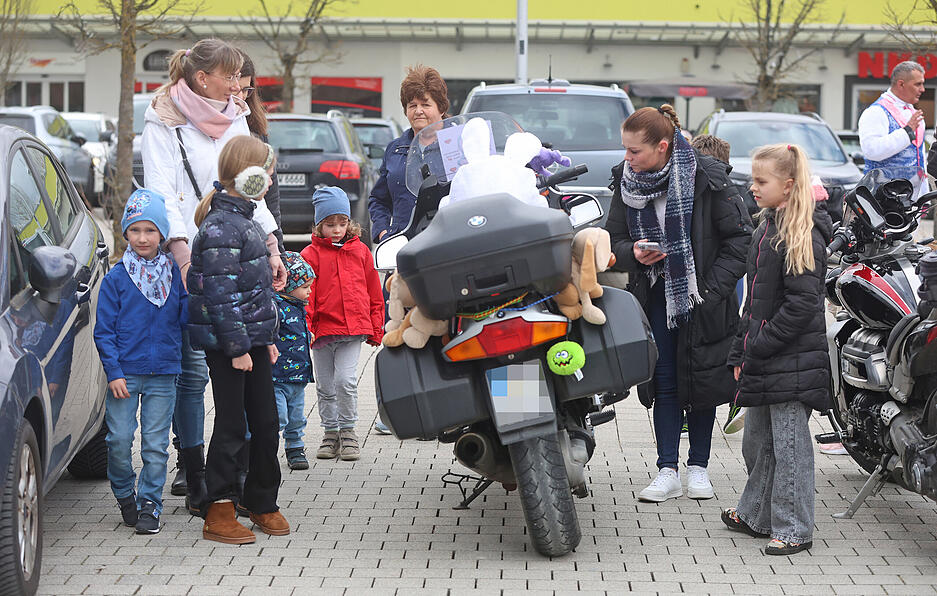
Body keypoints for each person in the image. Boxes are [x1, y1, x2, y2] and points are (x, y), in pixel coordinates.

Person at [141, 39, 286, 513]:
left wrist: (271, 245)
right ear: (203, 77)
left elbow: (250, 181)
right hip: (184, 251)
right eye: (231, 75)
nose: (238, 84)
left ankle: (236, 475)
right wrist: (183, 258)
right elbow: (163, 193)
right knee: (193, 370)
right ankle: (193, 466)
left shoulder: (235, 113)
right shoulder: (162, 119)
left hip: (237, 250)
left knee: (231, 375)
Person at [604, 105, 752, 503]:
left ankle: (699, 468)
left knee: (701, 381)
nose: (627, 158)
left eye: (635, 151)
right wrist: (634, 252)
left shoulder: (708, 177)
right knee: (665, 381)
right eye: (626, 150)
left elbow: (740, 241)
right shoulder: (625, 179)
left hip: (703, 299)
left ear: (662, 147)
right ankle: (666, 469)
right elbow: (611, 240)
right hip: (655, 295)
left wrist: (708, 289)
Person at [722, 143, 833, 555]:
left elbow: (803, 304)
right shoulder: (766, 226)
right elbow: (753, 302)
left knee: (789, 449)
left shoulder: (801, 234)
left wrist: (759, 346)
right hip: (767, 356)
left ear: (787, 186)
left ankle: (794, 528)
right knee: (758, 442)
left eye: (761, 181)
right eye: (753, 179)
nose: (752, 187)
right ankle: (756, 514)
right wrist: (741, 352)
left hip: (791, 361)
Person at [188, 135, 288, 544]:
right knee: (232, 425)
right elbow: (221, 295)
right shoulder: (220, 227)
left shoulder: (244, 221)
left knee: (265, 422)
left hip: (251, 341)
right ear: (246, 176)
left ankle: (260, 499)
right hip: (230, 344)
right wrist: (240, 348)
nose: (269, 181)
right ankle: (219, 509)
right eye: (265, 173)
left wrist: (264, 340)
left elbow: (252, 293)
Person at [93, 189, 187, 535]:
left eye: (150, 230)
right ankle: (123, 493)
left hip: (164, 372)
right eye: (135, 230)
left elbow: (186, 317)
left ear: (162, 233)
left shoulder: (175, 275)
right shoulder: (117, 279)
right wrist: (113, 372)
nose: (143, 238)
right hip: (125, 375)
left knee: (154, 445)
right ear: (125, 234)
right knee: (118, 440)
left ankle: (150, 503)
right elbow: (103, 331)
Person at [367, 64, 448, 434]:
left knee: (443, 323)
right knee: (400, 326)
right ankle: (398, 411)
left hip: (450, 246)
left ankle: (452, 404)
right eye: (412, 104)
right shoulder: (396, 149)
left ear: (441, 107)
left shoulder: (458, 143)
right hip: (406, 252)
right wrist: (384, 230)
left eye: (426, 103)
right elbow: (378, 198)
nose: (419, 111)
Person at [302, 187, 385, 461]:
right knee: (325, 385)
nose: (337, 229)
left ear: (350, 222)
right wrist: (306, 326)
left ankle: (348, 431)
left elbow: (375, 291)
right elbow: (306, 295)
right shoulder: (310, 255)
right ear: (318, 225)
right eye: (330, 224)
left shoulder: (361, 251)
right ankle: (330, 432)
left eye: (342, 223)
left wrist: (376, 327)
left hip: (352, 329)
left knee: (346, 381)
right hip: (323, 329)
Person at [691, 133, 747, 435]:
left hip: (714, 281)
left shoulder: (718, 190)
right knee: (728, 336)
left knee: (716, 341)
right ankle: (735, 398)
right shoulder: (730, 187)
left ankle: (717, 399)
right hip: (727, 282)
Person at [237, 49, 284, 254]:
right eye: (234, 90)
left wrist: (278, 248)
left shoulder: (255, 130)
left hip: (255, 234)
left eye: (246, 90)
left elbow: (270, 198)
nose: (240, 97)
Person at [272, 252, 316, 470]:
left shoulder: (299, 307)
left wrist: (308, 335)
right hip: (277, 375)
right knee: (278, 416)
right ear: (289, 285)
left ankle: (295, 447)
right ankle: (268, 448)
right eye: (305, 286)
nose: (309, 291)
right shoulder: (276, 306)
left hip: (298, 375)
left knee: (297, 417)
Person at [858, 60, 928, 198]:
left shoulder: (911, 111)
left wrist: (923, 193)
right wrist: (907, 132)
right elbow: (871, 150)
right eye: (918, 84)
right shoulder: (876, 112)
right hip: (883, 198)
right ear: (901, 84)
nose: (923, 89)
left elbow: (918, 155)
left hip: (911, 197)